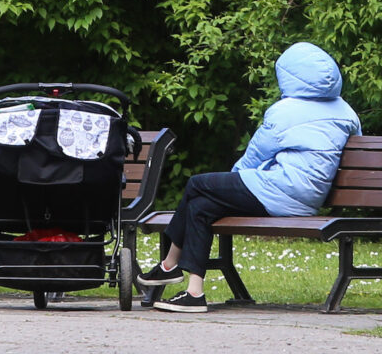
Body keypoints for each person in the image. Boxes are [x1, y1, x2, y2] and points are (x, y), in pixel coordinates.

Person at [137, 42, 362, 313]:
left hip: (281, 191)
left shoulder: (285, 111)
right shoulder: (346, 111)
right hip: (308, 198)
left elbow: (254, 156)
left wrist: (230, 182)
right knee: (201, 206)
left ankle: (169, 266)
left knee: (198, 184)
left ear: (289, 76)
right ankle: (194, 293)